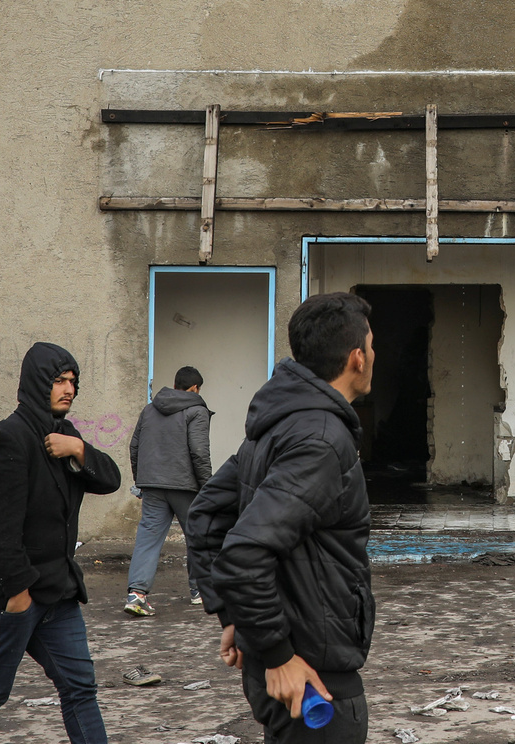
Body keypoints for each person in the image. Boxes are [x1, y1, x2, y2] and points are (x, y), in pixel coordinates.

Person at [189, 291, 376, 744]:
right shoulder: (321, 438)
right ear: (356, 357)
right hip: (311, 675)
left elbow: (206, 516)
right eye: (372, 347)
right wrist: (277, 654)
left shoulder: (280, 426)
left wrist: (236, 617)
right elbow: (244, 552)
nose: (374, 357)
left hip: (289, 666)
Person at [0, 341, 122, 744]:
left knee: (80, 689)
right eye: (59, 380)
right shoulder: (7, 438)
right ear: (38, 382)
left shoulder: (65, 436)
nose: (69, 389)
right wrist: (19, 594)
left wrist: (78, 448)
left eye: (73, 381)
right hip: (15, 594)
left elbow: (110, 479)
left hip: (58, 591)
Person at [124, 364, 213, 616]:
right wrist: (207, 487)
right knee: (198, 535)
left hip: (152, 484)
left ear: (175, 385)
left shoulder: (150, 409)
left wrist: (142, 481)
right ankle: (201, 591)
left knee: (148, 537)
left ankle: (136, 595)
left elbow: (134, 447)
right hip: (185, 486)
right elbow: (199, 452)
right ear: (195, 388)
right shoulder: (197, 410)